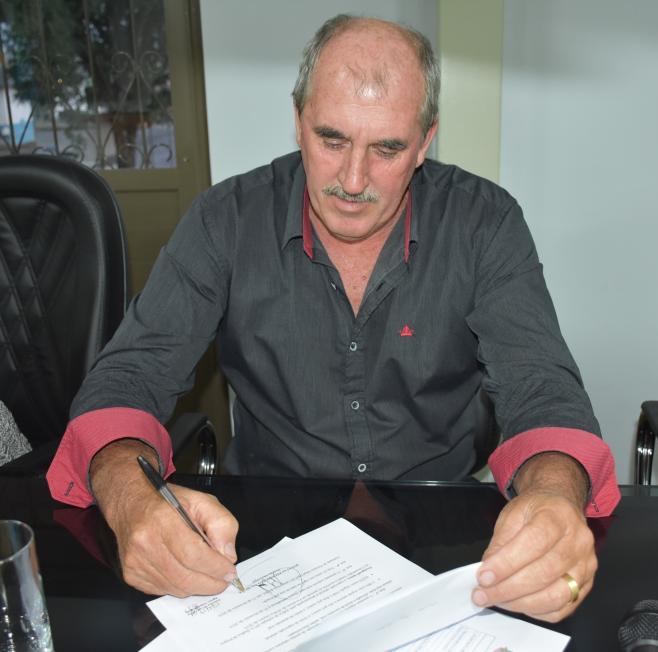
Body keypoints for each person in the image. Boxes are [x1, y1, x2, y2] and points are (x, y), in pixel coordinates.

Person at [46, 14, 619, 622]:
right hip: (260, 545)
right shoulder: (226, 220)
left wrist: (554, 496)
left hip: (443, 544)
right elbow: (128, 376)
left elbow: (542, 387)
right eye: (331, 139)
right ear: (298, 121)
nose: (352, 180)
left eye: (387, 149)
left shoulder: (484, 224)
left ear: (425, 141)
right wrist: (130, 498)